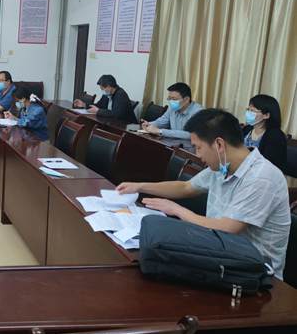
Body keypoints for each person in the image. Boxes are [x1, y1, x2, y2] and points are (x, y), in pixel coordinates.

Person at [117, 108, 290, 279]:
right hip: (220, 254)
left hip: (256, 274)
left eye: (198, 147)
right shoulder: (223, 166)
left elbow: (228, 228)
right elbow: (186, 187)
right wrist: (140, 186)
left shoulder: (262, 177)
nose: (197, 155)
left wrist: (177, 210)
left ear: (219, 145)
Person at [242, 94, 287, 173]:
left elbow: (268, 166)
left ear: (266, 115)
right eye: (248, 109)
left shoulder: (276, 136)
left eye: (252, 111)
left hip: (261, 176)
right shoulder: (247, 129)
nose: (248, 113)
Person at [73, 75, 137, 123]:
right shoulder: (107, 94)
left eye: (102, 89)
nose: (102, 91)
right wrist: (84, 105)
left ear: (109, 86)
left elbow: (116, 114)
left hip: (126, 126)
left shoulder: (121, 95)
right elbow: (99, 106)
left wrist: (98, 111)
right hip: (112, 123)